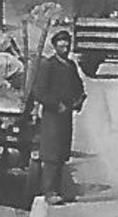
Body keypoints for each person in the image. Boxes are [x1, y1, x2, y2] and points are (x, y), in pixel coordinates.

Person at [28, 29, 86, 204]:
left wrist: (78, 100)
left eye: (67, 43)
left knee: (62, 153)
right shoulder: (48, 65)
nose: (65, 46)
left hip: (66, 115)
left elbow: (78, 86)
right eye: (61, 43)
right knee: (51, 154)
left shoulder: (70, 66)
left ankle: (59, 190)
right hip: (52, 116)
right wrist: (55, 104)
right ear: (54, 46)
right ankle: (49, 191)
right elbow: (39, 91)